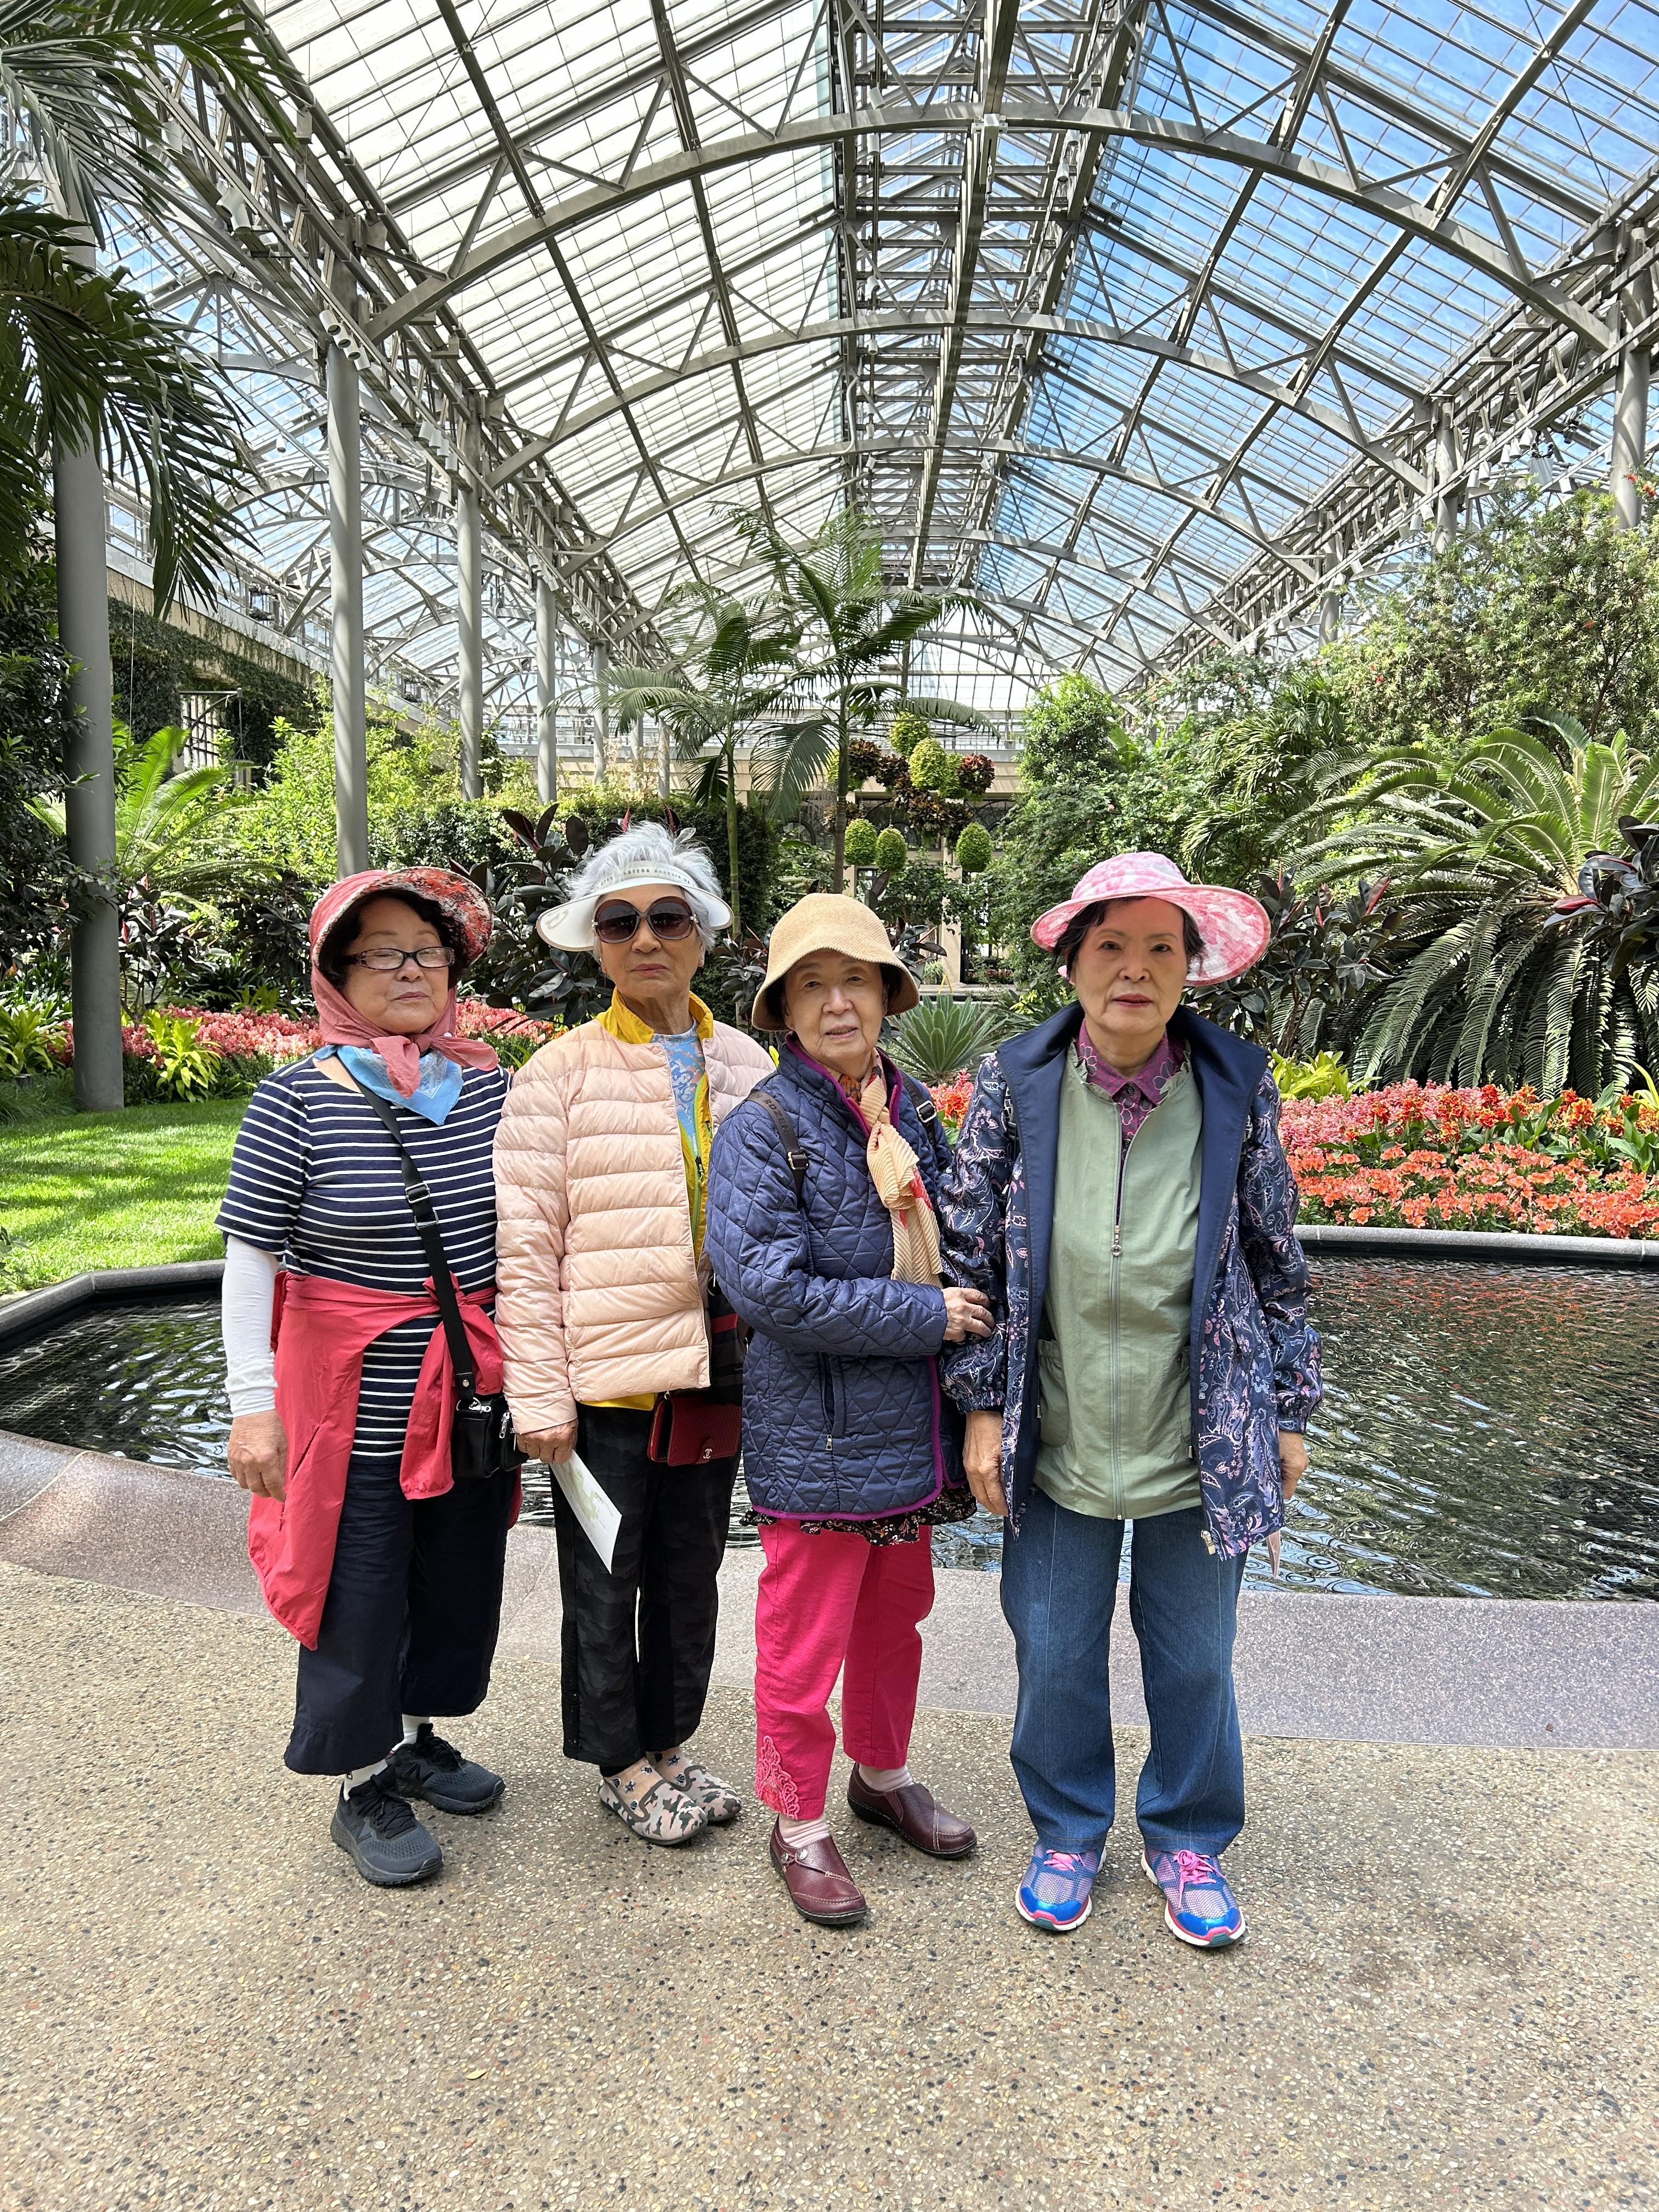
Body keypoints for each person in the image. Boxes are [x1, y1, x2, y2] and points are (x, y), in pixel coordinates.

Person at [937, 853, 1321, 1946]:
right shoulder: (1017, 1082)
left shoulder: (1234, 1086)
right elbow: (970, 1253)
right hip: (1055, 1429)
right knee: (1054, 1649)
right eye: (1111, 945)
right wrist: (982, 1407)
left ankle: (1188, 1836)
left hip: (1199, 1436)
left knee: (1195, 1658)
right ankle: (1067, 1831)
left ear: (1192, 968)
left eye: (1162, 948)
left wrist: (1287, 1411)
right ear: (1073, 964)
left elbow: (1277, 1256)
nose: (1135, 970)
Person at [219, 868, 517, 1889]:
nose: (410, 971)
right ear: (336, 975)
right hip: (349, 1403)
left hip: (466, 1394)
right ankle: (361, 1782)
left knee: (455, 1573)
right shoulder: (295, 1099)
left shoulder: (489, 1089)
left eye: (427, 952)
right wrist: (251, 1408)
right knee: (359, 1585)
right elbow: (250, 1261)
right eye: (382, 953)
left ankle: (418, 1740)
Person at [704, 895, 992, 1927]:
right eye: (814, 986)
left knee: (894, 1621)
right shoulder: (763, 1130)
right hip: (818, 1439)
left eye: (857, 981)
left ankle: (881, 1772)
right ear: (784, 1010)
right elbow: (769, 1293)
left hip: (909, 1435)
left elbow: (965, 1237)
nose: (838, 1004)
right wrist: (927, 1316)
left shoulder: (912, 1117)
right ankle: (797, 1822)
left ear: (886, 998)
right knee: (804, 1637)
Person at [492, 823, 774, 1847]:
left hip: (716, 1372)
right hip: (605, 1382)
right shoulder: (557, 1073)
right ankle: (619, 1762)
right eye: (620, 923)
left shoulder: (747, 1061)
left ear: (703, 935)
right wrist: (539, 1393)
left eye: (668, 918)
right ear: (595, 944)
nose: (646, 938)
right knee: (604, 1584)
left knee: (692, 1576)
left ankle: (669, 1742)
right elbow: (526, 1246)